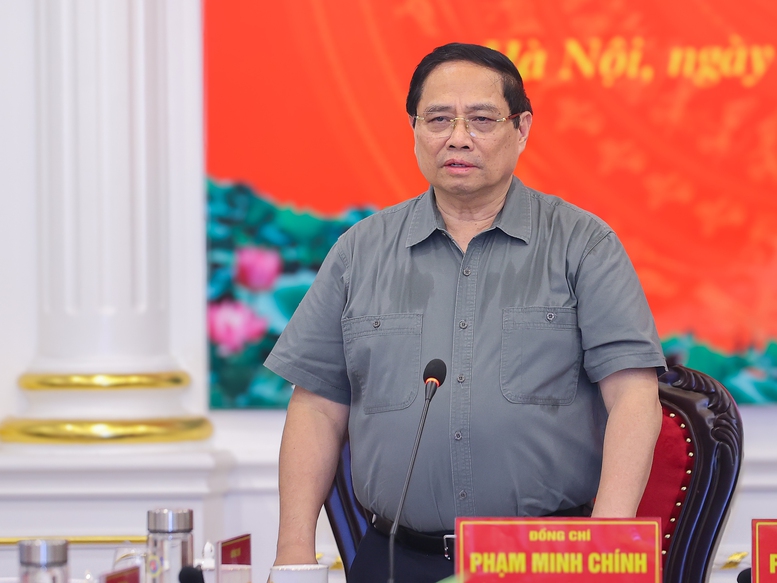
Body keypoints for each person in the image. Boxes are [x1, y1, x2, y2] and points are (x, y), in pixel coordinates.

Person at [264, 42, 665, 583]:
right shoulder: (360, 251)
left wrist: (604, 545)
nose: (457, 138)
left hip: (545, 557)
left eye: (481, 119)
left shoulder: (583, 244)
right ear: (414, 130)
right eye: (438, 119)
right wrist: (293, 556)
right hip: (397, 557)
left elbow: (634, 396)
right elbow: (316, 406)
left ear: (521, 129)